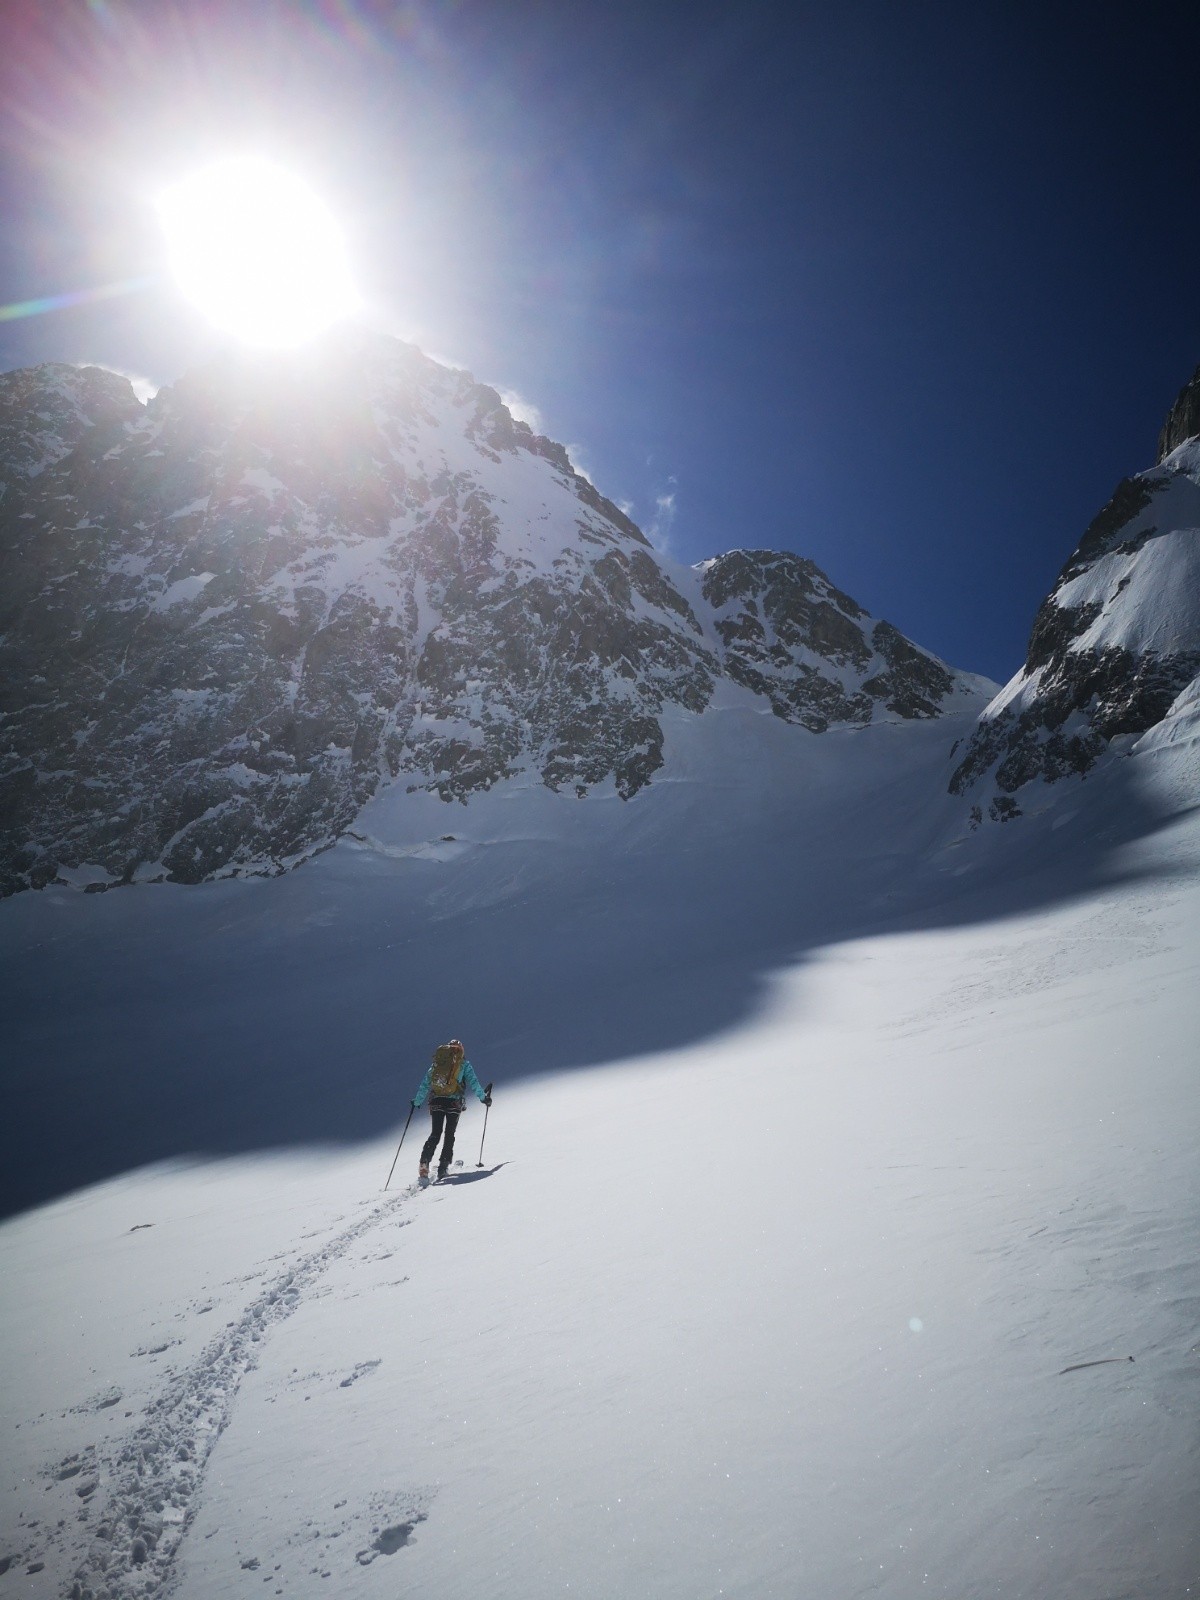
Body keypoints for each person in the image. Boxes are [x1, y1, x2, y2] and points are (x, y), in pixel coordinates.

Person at [413, 1039, 490, 1180]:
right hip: (454, 1102)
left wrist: (417, 1101)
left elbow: (425, 1083)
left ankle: (424, 1161)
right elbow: (474, 1082)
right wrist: (484, 1098)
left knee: (435, 1133)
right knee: (449, 1133)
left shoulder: (438, 1063)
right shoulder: (464, 1064)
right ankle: (443, 1165)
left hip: (436, 1101)